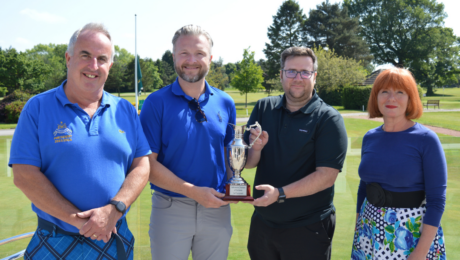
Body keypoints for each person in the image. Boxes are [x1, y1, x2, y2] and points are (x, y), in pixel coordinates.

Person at [9, 23, 151, 260]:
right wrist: (82, 221)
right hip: (55, 239)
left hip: (113, 236)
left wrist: (113, 211)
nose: (93, 66)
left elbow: (142, 166)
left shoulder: (125, 109)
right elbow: (24, 175)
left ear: (110, 66)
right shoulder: (38, 108)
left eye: (102, 59)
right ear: (68, 58)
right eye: (85, 55)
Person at [139, 25, 236, 260]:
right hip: (170, 208)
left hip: (218, 208)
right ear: (173, 57)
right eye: (184, 53)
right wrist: (194, 193)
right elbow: (147, 166)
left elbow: (232, 157)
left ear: (210, 59)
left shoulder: (226, 102)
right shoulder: (155, 103)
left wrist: (237, 186)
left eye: (200, 53)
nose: (191, 60)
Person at [243, 46, 348, 260]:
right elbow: (248, 163)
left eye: (304, 72)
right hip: (263, 224)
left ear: (314, 77)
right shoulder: (264, 107)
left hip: (308, 228)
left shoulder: (328, 118)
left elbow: (326, 177)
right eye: (291, 71)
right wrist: (256, 149)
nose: (297, 78)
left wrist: (279, 193)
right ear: (281, 75)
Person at [351, 68, 447, 260]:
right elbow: (365, 186)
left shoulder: (426, 139)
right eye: (384, 91)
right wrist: (358, 227)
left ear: (410, 98)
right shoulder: (370, 138)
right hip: (368, 230)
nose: (391, 98)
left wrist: (419, 253)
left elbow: (436, 201)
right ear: (376, 97)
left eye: (400, 92)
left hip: (410, 235)